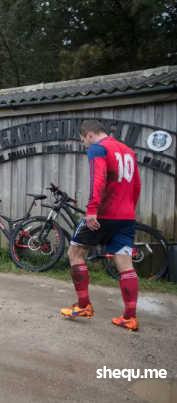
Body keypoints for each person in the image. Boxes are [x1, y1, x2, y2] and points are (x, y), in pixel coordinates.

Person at [60, 120, 141, 331]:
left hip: (103, 215)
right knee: (125, 264)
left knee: (75, 253)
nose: (85, 144)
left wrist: (92, 210)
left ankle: (84, 305)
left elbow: (98, 179)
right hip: (126, 217)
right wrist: (129, 210)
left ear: (89, 134)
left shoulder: (98, 148)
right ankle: (130, 318)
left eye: (83, 140)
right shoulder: (128, 151)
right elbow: (137, 185)